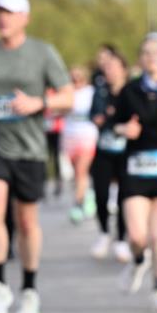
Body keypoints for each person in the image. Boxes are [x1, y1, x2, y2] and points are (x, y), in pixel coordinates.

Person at [0, 0, 73, 313]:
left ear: (25, 18)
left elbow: (68, 97)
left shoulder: (42, 53)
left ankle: (29, 290)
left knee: (26, 221)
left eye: (10, 12)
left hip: (29, 148)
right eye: (0, 11)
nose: (3, 18)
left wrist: (39, 103)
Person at [111, 33, 157, 313]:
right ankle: (139, 261)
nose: (152, 57)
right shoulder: (129, 91)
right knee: (137, 237)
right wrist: (123, 129)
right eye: (146, 52)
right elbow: (112, 125)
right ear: (140, 59)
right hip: (135, 168)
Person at [89, 49, 131, 261]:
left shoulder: (131, 92)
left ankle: (121, 238)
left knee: (125, 195)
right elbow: (95, 117)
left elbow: (134, 119)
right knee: (101, 194)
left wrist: (110, 120)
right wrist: (112, 121)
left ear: (124, 69)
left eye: (113, 67)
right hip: (104, 149)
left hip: (127, 152)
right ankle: (104, 232)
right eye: (106, 68)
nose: (109, 72)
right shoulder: (100, 92)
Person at [62, 65, 99, 224]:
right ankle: (87, 194)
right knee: (76, 173)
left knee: (81, 171)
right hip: (70, 135)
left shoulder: (91, 92)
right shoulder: (66, 92)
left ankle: (77, 204)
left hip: (87, 135)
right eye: (73, 77)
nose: (76, 80)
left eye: (79, 76)